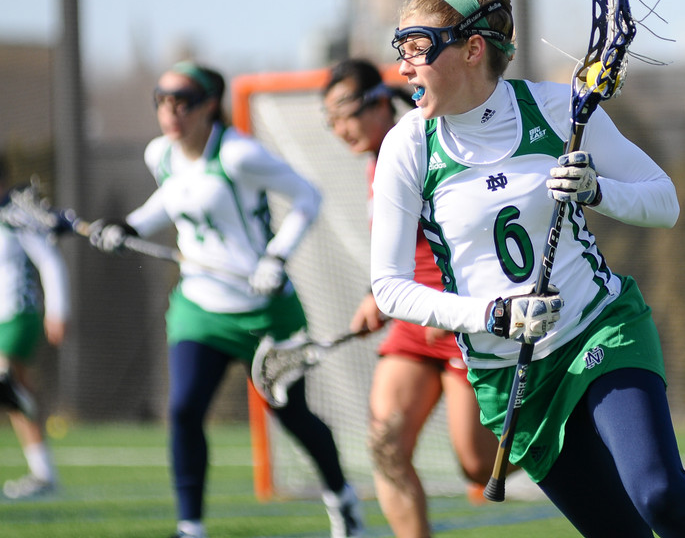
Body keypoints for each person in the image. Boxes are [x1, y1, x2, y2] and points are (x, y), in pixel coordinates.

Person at [369, 0, 685, 538]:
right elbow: (389, 286)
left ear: (472, 49)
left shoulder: (552, 108)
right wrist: (492, 315)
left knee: (658, 493)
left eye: (419, 48)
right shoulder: (409, 146)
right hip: (510, 373)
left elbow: (664, 202)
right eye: (402, 50)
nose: (404, 68)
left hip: (597, 330)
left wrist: (597, 192)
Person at [88, 61, 364, 538]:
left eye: (183, 101)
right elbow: (172, 198)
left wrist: (276, 257)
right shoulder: (162, 154)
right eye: (162, 100)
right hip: (200, 306)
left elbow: (308, 196)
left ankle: (342, 498)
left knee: (293, 416)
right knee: (184, 410)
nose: (170, 112)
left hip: (265, 311)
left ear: (209, 105)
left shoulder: (237, 155)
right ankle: (190, 526)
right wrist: (128, 228)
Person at [322, 58, 507, 537]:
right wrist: (376, 293)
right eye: (332, 121)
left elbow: (478, 231)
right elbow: (398, 247)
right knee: (387, 446)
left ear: (381, 102)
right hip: (411, 321)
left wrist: (452, 308)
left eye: (348, 114)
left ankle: (562, 436)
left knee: (479, 468)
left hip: (464, 318)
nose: (341, 129)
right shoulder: (374, 161)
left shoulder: (430, 144)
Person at [0, 157, 70, 500]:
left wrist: (58, 310)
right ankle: (43, 474)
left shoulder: (16, 217)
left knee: (6, 384)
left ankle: (44, 475)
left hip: (19, 315)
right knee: (17, 396)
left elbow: (49, 261)